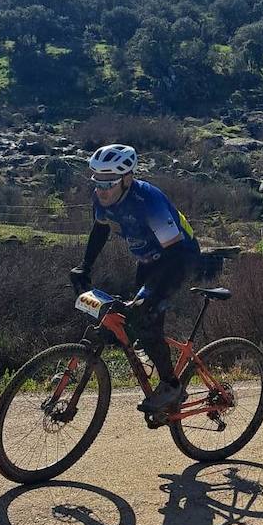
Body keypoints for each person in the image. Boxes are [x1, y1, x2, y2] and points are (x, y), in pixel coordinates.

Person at [70, 143, 201, 413]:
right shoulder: (102, 198)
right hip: (147, 260)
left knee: (147, 315)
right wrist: (84, 266)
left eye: (109, 182)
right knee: (132, 317)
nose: (102, 189)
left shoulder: (148, 202)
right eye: (98, 182)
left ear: (127, 179)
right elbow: (100, 229)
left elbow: (174, 254)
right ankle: (147, 352)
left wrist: (150, 299)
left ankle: (171, 386)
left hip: (177, 258)